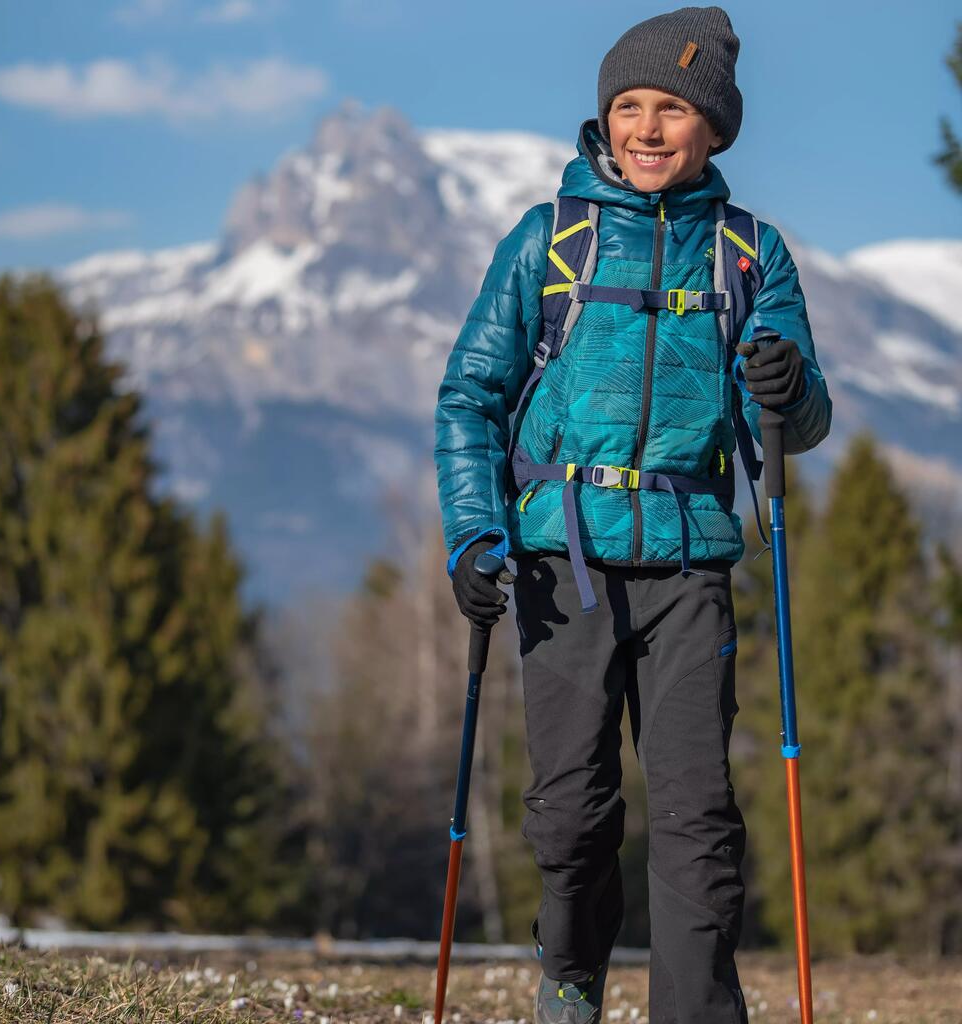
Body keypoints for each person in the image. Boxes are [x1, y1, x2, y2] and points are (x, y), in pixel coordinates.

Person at [434, 6, 831, 1023]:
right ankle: (569, 971)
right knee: (570, 819)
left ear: (714, 128)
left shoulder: (748, 256)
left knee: (700, 816)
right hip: (557, 567)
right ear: (602, 119)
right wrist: (474, 535)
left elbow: (798, 417)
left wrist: (785, 384)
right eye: (628, 107)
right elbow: (469, 396)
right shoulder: (547, 241)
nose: (647, 128)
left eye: (672, 110)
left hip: (691, 565)